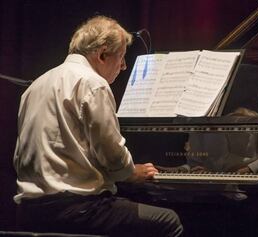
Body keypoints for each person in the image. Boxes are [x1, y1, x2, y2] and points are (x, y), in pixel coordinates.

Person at [13, 16, 183, 237]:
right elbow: (113, 158)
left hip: (31, 210)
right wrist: (132, 171)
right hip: (77, 209)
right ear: (103, 54)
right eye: (121, 57)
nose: (123, 66)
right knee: (168, 220)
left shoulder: (36, 85)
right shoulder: (93, 83)